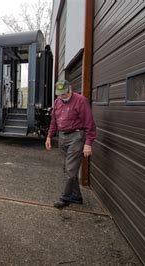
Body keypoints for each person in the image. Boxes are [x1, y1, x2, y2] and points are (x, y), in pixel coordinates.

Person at [45, 80, 96, 209]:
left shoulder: (81, 101)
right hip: (62, 136)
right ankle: (76, 196)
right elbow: (54, 121)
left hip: (76, 136)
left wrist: (88, 143)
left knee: (70, 169)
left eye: (64, 93)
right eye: (60, 94)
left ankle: (65, 198)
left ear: (70, 89)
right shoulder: (57, 102)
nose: (62, 96)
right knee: (66, 169)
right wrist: (49, 136)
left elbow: (90, 124)